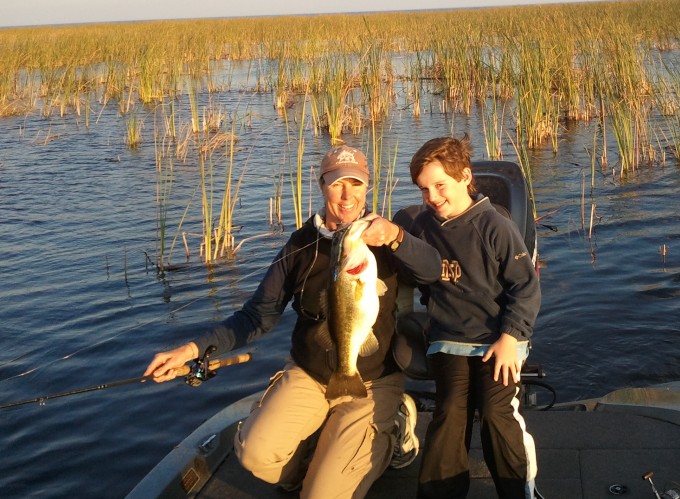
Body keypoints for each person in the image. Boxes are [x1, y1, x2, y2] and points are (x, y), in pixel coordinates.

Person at [144, 144, 442, 499]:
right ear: (321, 186)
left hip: (373, 382)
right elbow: (256, 316)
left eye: (356, 184)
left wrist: (396, 237)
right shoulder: (299, 246)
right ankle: (317, 464)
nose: (347, 195)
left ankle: (393, 430)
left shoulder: (384, 237)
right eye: (336, 184)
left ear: (368, 187)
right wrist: (192, 349)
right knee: (255, 455)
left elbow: (432, 270)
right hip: (310, 374)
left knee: (324, 495)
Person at [408, 135, 541, 499]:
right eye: (423, 190)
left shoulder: (496, 227)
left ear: (465, 177)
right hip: (449, 338)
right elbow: (412, 272)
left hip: (501, 337)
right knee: (450, 411)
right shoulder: (422, 227)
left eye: (440, 185)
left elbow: (526, 289)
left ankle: (519, 492)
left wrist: (510, 338)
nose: (432, 197)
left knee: (497, 415)